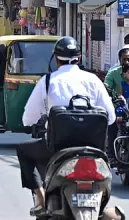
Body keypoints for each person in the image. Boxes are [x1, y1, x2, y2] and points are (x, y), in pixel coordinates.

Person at [17, 36, 115, 215]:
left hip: (56, 149)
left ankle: (40, 198)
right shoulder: (93, 80)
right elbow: (111, 117)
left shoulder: (48, 81)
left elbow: (28, 118)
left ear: (56, 59)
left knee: (24, 151)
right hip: (95, 150)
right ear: (79, 58)